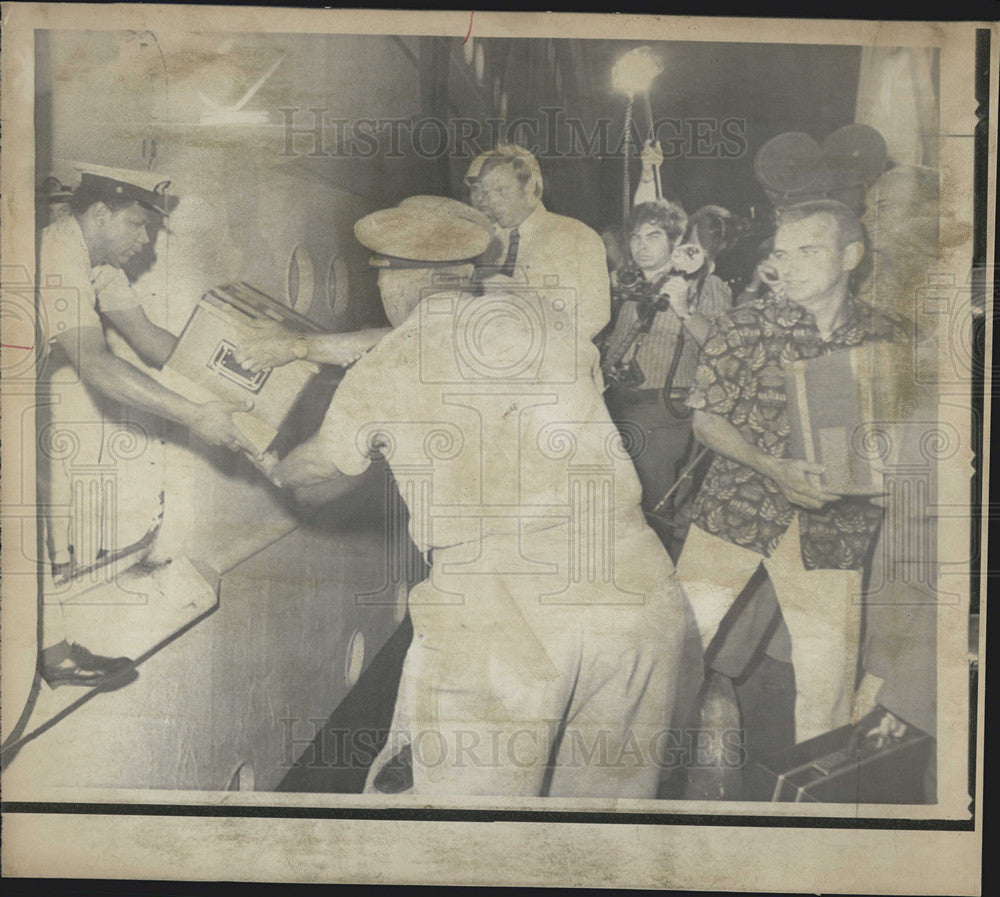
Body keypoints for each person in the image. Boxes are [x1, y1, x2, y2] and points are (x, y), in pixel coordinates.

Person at [261, 196, 686, 798]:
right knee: (600, 836)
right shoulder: (543, 321)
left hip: (508, 608)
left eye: (379, 272)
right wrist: (308, 346)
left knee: (458, 832)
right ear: (465, 269)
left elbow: (318, 466)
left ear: (393, 277)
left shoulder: (385, 369)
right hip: (636, 588)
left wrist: (272, 466)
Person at [674, 199, 905, 744]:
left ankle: (814, 805)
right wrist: (772, 468)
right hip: (734, 513)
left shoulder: (889, 337)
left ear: (851, 255)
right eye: (783, 252)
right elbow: (707, 421)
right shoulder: (744, 325)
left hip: (834, 529)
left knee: (826, 688)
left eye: (809, 250)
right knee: (675, 656)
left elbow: (902, 439)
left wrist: (881, 482)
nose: (791, 265)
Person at [37, 164, 253, 687]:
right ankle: (49, 655)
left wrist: (244, 385)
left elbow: (150, 339)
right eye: (138, 225)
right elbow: (102, 367)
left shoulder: (97, 259)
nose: (145, 240)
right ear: (100, 212)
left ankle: (53, 652)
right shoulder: (57, 254)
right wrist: (197, 415)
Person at [600, 201, 734, 551]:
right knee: (613, 502)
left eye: (654, 236)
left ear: (676, 242)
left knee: (653, 507)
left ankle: (662, 578)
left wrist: (685, 309)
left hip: (664, 408)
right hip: (615, 402)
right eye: (635, 237)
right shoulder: (624, 284)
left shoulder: (707, 285)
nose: (641, 245)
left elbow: (724, 350)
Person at [463, 144, 611, 344]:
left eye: (500, 189)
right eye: (477, 191)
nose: (484, 201)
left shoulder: (577, 236)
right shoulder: (478, 245)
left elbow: (594, 315)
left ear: (530, 187)